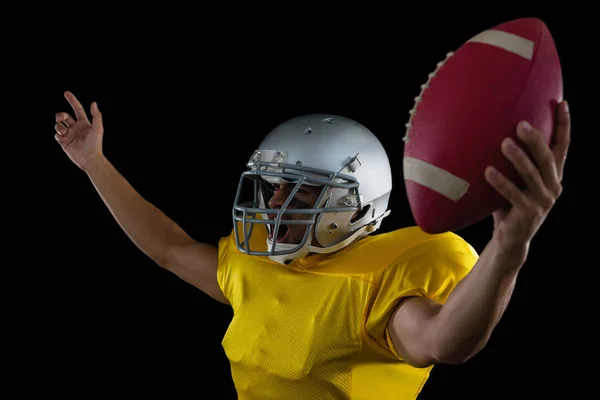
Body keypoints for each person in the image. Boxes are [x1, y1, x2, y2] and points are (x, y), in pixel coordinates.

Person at [54, 91, 570, 399]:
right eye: (274, 185)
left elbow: (443, 342)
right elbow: (168, 248)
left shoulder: (376, 279)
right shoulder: (255, 267)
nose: (276, 202)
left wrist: (509, 246)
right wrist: (95, 164)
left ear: (358, 204)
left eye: (300, 190)